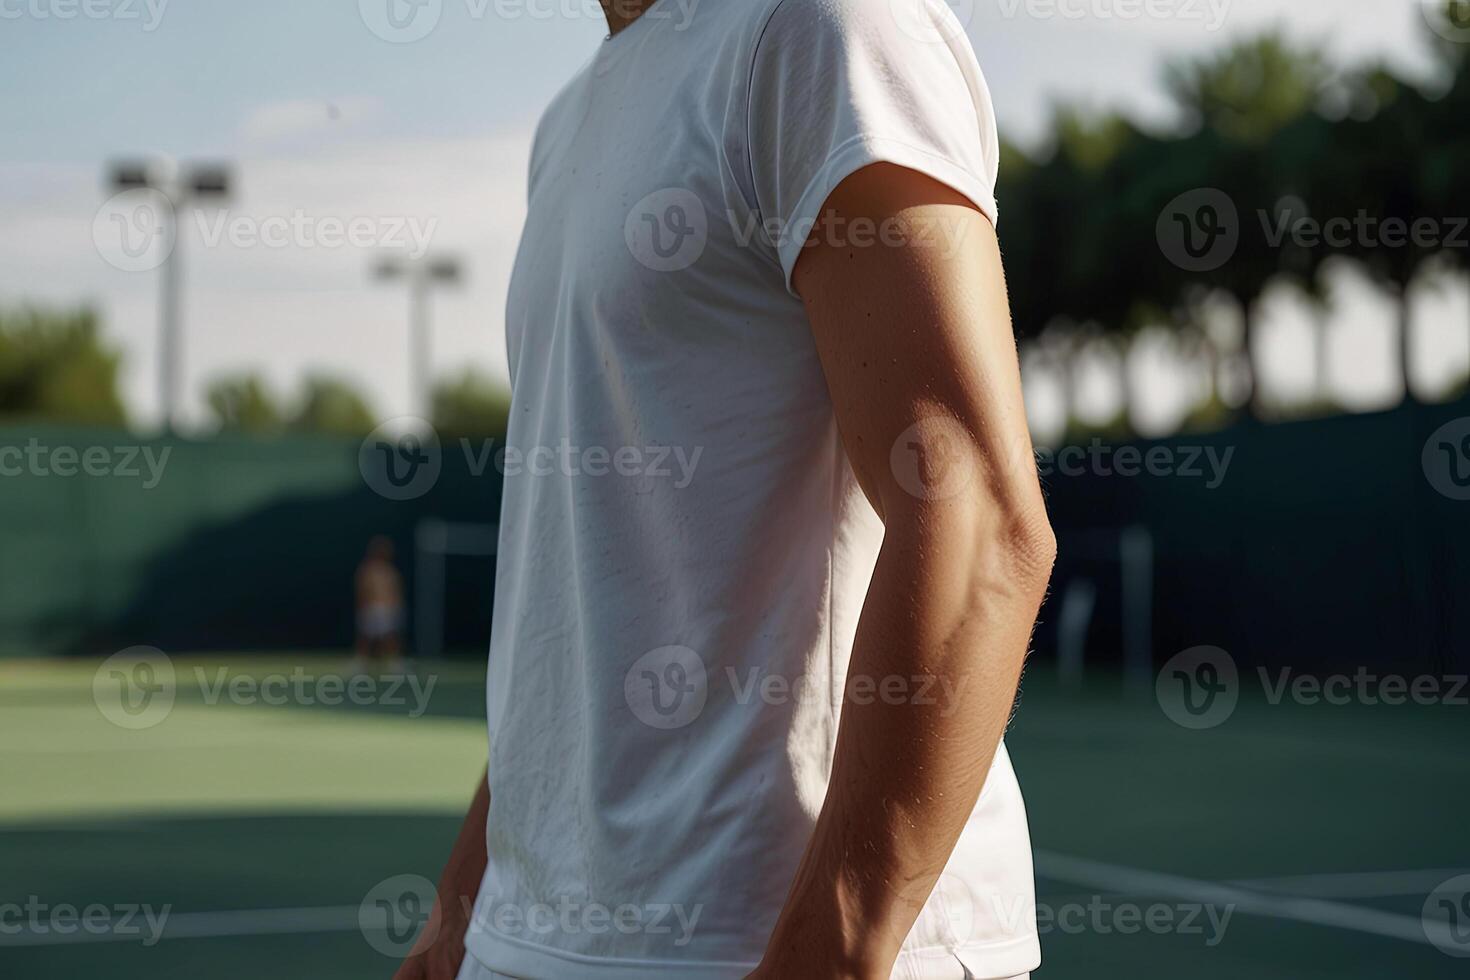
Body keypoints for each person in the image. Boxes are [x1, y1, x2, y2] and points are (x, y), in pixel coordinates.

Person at [397, 1, 1054, 977]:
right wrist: (457, 922)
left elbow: (978, 520)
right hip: (536, 940)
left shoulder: (821, 30)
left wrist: (826, 951)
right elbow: (575, 620)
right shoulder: (569, 120)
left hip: (759, 944)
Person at [355, 535, 406, 673]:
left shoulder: (391, 571)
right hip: (372, 608)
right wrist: (364, 607)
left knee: (390, 637)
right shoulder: (368, 569)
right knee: (366, 637)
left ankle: (395, 663)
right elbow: (363, 589)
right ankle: (362, 663)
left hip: (388, 609)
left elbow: (395, 591)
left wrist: (396, 607)